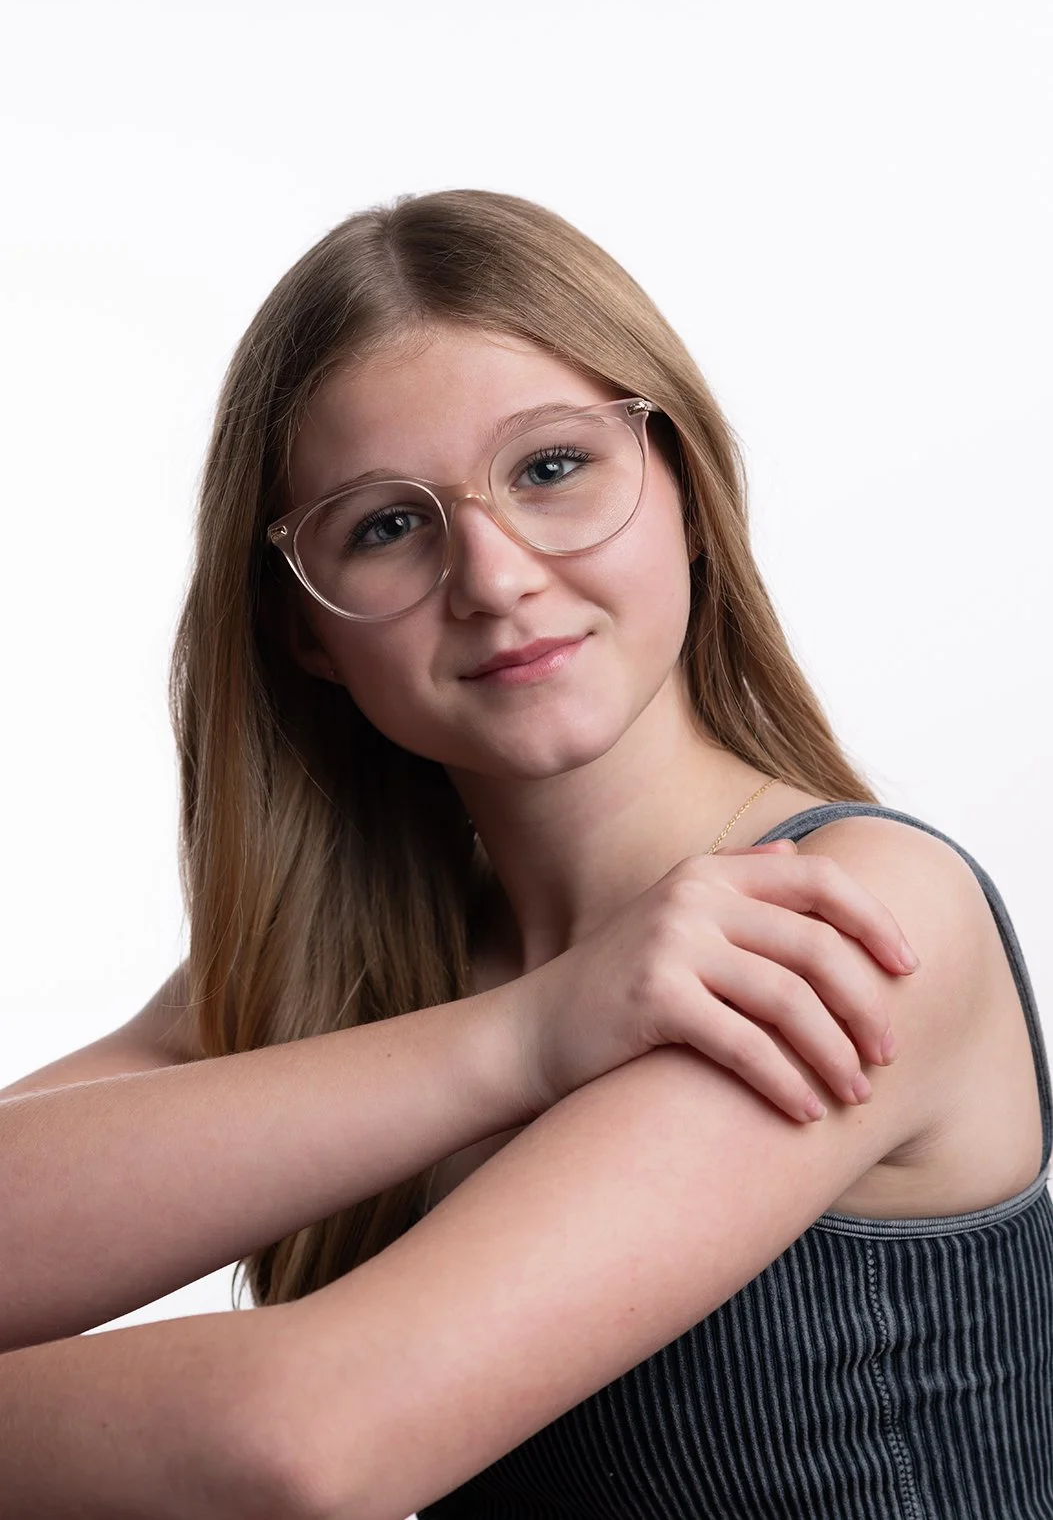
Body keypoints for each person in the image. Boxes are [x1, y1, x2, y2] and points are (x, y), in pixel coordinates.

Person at [0, 189, 1049, 1520]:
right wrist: (523, 1034)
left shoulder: (855, 917)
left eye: (552, 467)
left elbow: (306, 1445)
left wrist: (523, 1038)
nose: (492, 576)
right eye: (386, 525)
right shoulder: (356, 973)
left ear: (685, 486)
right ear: (302, 631)